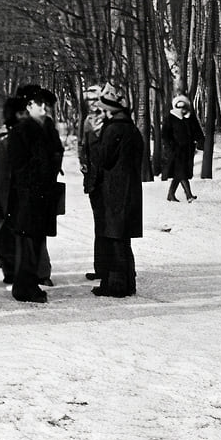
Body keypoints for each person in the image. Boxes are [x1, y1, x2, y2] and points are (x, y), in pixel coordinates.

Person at [6, 85, 62, 303]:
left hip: (44, 194)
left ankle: (30, 284)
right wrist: (40, 170)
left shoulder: (49, 129)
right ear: (29, 106)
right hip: (27, 196)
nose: (45, 108)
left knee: (38, 241)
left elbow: (57, 154)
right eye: (40, 104)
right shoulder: (21, 131)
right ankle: (24, 287)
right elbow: (19, 166)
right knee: (28, 242)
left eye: (47, 105)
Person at [93, 83, 143, 297]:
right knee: (123, 240)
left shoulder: (112, 128)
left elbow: (104, 159)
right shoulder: (131, 128)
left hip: (113, 190)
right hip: (130, 188)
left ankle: (115, 286)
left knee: (113, 238)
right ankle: (127, 283)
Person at [0, 97, 25, 284]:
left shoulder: (28, 137)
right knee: (7, 234)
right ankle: (9, 269)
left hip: (19, 194)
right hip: (5, 196)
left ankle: (27, 270)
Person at [79, 84, 106, 281]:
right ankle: (101, 266)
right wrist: (83, 163)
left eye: (94, 100)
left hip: (108, 179)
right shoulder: (87, 120)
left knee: (109, 225)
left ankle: (111, 267)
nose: (92, 104)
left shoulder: (110, 121)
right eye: (89, 101)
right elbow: (83, 145)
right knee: (100, 224)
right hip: (93, 180)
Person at [161, 94, 204, 202]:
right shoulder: (171, 118)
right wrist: (170, 146)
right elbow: (165, 135)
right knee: (181, 172)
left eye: (183, 107)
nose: (182, 109)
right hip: (176, 150)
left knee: (180, 173)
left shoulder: (190, 118)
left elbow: (197, 131)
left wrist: (199, 141)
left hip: (188, 150)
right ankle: (188, 195)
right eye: (179, 107)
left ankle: (171, 195)